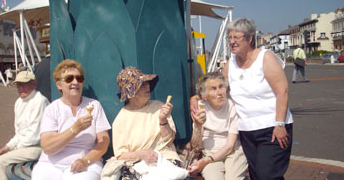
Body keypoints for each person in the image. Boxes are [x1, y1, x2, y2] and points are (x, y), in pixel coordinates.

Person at [191, 18, 293, 180]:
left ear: (250, 38)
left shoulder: (265, 58)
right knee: (256, 174)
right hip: (246, 131)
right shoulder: (230, 64)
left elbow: (283, 91)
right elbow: (217, 87)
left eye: (236, 37)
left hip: (272, 128)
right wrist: (196, 97)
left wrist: (280, 124)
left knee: (268, 175)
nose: (232, 42)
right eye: (229, 38)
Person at [101, 66, 187, 180]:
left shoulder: (159, 107)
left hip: (165, 159)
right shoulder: (121, 119)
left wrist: (163, 120)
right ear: (131, 93)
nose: (148, 86)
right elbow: (121, 155)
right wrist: (141, 154)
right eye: (142, 84)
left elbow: (169, 140)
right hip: (137, 163)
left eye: (147, 83)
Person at [31, 59, 111, 180]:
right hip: (50, 164)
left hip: (86, 164)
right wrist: (75, 129)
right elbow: (48, 147)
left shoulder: (94, 105)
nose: (75, 82)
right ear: (59, 85)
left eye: (79, 78)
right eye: (69, 79)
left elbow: (103, 142)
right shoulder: (52, 109)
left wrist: (85, 160)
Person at [188, 71, 248, 180]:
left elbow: (230, 146)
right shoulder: (201, 108)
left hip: (234, 153)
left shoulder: (232, 106)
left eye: (221, 87)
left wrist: (207, 160)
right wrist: (197, 125)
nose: (219, 92)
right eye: (213, 89)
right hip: (209, 152)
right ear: (204, 96)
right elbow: (195, 145)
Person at [0, 71, 49, 180]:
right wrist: (7, 147)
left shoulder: (40, 101)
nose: (21, 88)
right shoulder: (19, 102)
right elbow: (20, 133)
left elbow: (34, 136)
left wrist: (14, 149)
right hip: (24, 147)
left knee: (1, 162)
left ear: (34, 84)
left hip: (37, 147)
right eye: (18, 85)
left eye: (24, 84)